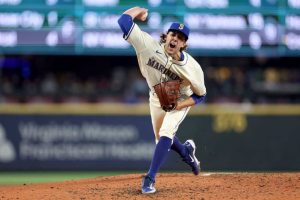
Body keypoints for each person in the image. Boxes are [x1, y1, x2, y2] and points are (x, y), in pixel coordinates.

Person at [118, 7, 207, 194]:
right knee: (161, 138)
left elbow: (200, 95)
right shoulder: (149, 46)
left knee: (166, 132)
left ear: (184, 44)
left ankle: (149, 178)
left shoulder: (192, 68)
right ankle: (186, 152)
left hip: (179, 98)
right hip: (157, 96)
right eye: (173, 34)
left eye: (180, 38)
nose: (175, 38)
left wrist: (180, 105)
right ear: (166, 36)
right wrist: (140, 10)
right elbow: (124, 21)